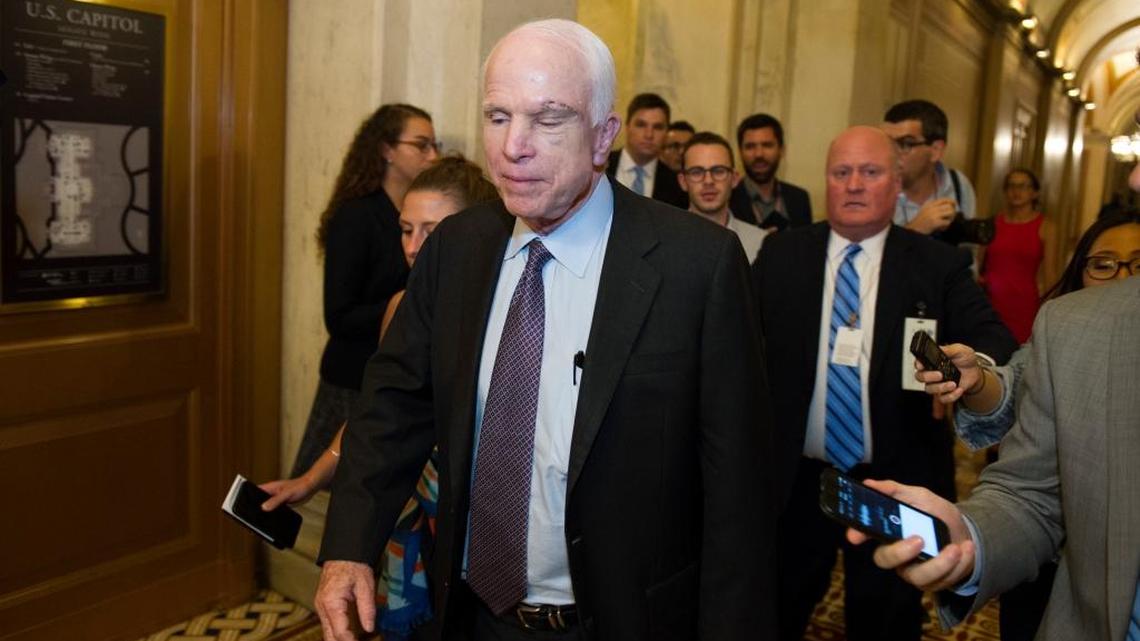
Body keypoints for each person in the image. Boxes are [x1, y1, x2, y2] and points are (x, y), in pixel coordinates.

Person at [316, 18, 775, 641]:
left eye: (549, 118)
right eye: (498, 116)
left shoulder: (698, 265)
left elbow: (736, 488)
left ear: (602, 135)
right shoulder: (457, 249)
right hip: (471, 614)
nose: (513, 146)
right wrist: (348, 547)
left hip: (622, 620)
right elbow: (392, 405)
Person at [851, 132, 1140, 641]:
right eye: (1103, 265)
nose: (1134, 177)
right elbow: (1031, 493)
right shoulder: (1074, 329)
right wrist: (972, 538)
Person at [753, 126, 1016, 641]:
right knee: (776, 608)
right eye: (841, 173)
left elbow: (997, 344)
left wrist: (970, 367)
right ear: (825, 182)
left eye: (869, 173)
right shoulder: (782, 256)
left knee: (885, 618)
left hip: (896, 480)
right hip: (796, 479)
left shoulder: (937, 264)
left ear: (895, 185)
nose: (853, 184)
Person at [262, 156, 498, 641]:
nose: (413, 248)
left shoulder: (511, 304)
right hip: (414, 503)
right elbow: (381, 413)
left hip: (485, 512)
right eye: (405, 230)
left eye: (431, 232)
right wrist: (312, 477)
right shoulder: (400, 305)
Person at [915, 209, 1140, 641]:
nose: (1122, 279)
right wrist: (978, 382)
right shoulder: (1065, 333)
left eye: (1138, 265)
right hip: (1052, 573)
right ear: (1080, 273)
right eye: (1104, 264)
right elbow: (1014, 387)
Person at [290, 104, 439, 479]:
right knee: (331, 494)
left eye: (434, 145)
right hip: (353, 377)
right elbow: (338, 316)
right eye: (421, 145)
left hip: (399, 375)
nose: (432, 155)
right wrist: (399, 307)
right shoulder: (356, 216)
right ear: (387, 150)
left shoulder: (419, 210)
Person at [981, 168, 1058, 343]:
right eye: (1012, 186)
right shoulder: (992, 223)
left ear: (1035, 192)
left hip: (1024, 304)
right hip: (990, 303)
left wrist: (1051, 312)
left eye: (1023, 186)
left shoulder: (1046, 226)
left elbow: (1050, 275)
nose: (1017, 191)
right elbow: (979, 265)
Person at [882, 99, 976, 237]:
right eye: (887, 143)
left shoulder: (958, 184)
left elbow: (968, 251)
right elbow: (866, 255)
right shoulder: (874, 189)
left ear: (936, 150)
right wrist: (915, 230)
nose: (892, 153)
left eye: (905, 144)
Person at [677, 131, 767, 263]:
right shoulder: (663, 240)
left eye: (718, 171)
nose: (708, 181)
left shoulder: (760, 243)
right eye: (696, 172)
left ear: (735, 178)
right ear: (683, 181)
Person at [729, 113, 812, 230]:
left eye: (767, 145)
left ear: (782, 150)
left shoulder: (799, 198)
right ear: (740, 152)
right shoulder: (728, 198)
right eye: (750, 146)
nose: (759, 154)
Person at [605, 92, 689, 208]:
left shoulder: (675, 184)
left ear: (666, 133)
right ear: (627, 126)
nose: (649, 135)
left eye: (658, 127)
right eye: (641, 125)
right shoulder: (599, 167)